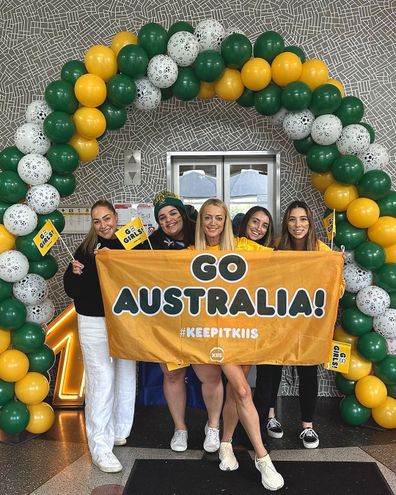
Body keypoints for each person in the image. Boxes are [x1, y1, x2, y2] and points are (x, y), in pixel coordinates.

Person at [193, 198, 284, 492]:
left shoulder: (243, 247)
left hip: (240, 333)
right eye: (208, 218)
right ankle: (262, 457)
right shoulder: (191, 253)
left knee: (237, 390)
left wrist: (328, 258)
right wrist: (109, 258)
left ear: (226, 221)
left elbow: (288, 262)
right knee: (244, 390)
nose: (213, 224)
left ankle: (227, 443)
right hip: (207, 337)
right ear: (201, 221)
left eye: (219, 218)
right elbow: (153, 270)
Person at [255, 200, 344, 449]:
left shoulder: (322, 250)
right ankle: (271, 418)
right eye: (292, 219)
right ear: (286, 223)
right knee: (271, 368)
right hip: (277, 323)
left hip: (308, 324)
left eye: (303, 219)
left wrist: (337, 272)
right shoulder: (275, 247)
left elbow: (336, 289)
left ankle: (307, 427)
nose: (297, 225)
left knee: (308, 369)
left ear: (310, 222)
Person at [139, 191, 223, 454]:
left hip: (203, 321)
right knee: (173, 374)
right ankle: (180, 428)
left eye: (173, 213)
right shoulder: (151, 244)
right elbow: (126, 265)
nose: (169, 220)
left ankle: (213, 426)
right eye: (162, 217)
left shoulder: (201, 233)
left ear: (182, 213)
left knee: (210, 374)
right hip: (169, 324)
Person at [63, 200, 136, 473]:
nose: (103, 225)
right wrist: (75, 273)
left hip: (126, 322)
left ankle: (119, 429)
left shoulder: (131, 243)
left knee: (126, 374)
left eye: (107, 218)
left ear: (116, 217)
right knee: (101, 379)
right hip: (94, 322)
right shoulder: (85, 249)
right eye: (97, 221)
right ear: (92, 224)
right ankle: (100, 446)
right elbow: (71, 289)